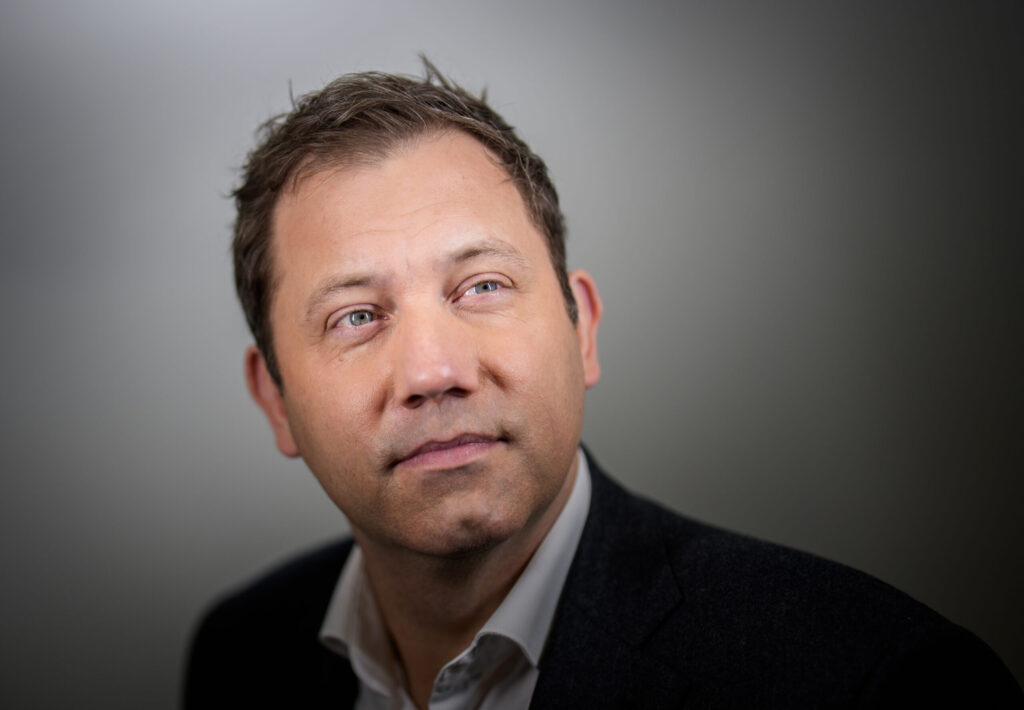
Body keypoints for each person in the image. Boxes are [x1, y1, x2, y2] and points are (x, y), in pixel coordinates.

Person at [184, 63, 1023, 709]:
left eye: (482, 286)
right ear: (276, 399)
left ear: (582, 328)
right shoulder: (241, 653)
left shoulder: (877, 682)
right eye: (357, 317)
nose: (434, 373)